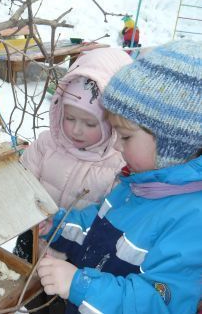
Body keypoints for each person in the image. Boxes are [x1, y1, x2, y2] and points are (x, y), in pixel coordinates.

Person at [37, 39, 202, 314]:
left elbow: (159, 303)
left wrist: (80, 285)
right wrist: (59, 225)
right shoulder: (136, 185)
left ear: (172, 144)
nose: (115, 145)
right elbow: (97, 230)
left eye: (125, 136)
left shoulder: (191, 221)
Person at [13, 48, 132, 261]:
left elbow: (107, 219)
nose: (77, 130)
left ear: (112, 121)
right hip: (31, 236)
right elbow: (21, 183)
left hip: (74, 254)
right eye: (69, 118)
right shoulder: (47, 144)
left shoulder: (117, 166)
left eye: (89, 123)